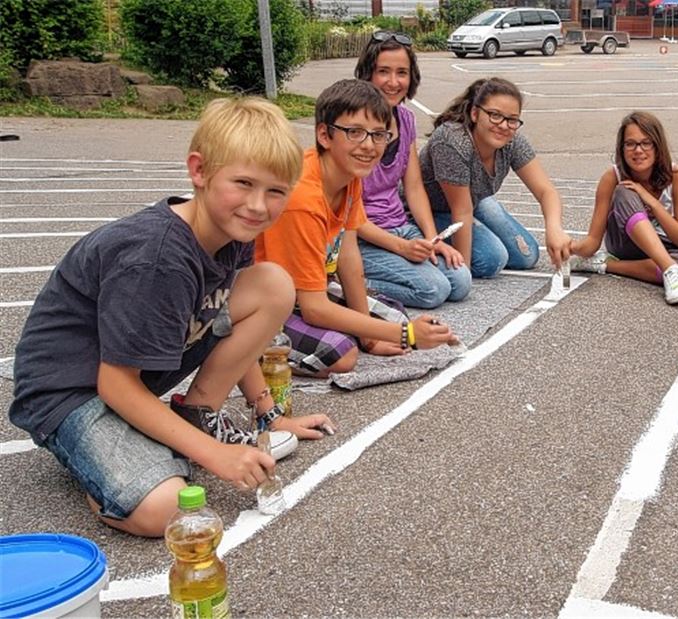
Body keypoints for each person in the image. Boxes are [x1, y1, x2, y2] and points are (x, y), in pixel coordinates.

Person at [7, 98, 335, 537]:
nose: (258, 205)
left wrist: (269, 417)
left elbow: (221, 315)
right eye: (243, 183)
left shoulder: (232, 228)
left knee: (274, 284)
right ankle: (112, 477)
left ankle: (193, 417)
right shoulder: (157, 259)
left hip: (131, 372)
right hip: (70, 392)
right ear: (199, 172)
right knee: (164, 510)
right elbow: (114, 383)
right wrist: (213, 455)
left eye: (276, 191)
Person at [256, 79, 455, 378]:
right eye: (355, 132)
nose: (368, 145)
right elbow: (314, 308)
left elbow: (349, 256)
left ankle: (351, 334)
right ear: (324, 135)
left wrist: (372, 336)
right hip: (264, 299)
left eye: (378, 135)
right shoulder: (302, 197)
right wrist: (406, 336)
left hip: (309, 287)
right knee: (341, 354)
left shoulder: (349, 174)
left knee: (393, 316)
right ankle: (248, 351)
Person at [353, 32, 471, 309]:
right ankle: (344, 281)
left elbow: (415, 187)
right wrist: (400, 248)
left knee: (460, 282)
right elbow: (349, 214)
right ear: (368, 74)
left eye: (401, 73)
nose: (393, 82)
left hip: (400, 226)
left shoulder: (405, 119)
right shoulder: (353, 124)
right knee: (433, 290)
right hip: (361, 237)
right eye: (383, 71)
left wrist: (432, 239)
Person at [420, 77, 572, 278]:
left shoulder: (511, 141)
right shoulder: (452, 141)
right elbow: (461, 210)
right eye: (494, 115)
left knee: (527, 255)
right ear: (475, 113)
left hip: (474, 201)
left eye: (512, 119)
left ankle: (481, 226)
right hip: (430, 208)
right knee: (492, 259)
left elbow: (546, 191)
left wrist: (554, 228)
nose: (503, 125)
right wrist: (462, 274)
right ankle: (422, 244)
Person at [568, 111, 678, 304]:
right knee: (625, 192)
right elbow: (593, 242)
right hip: (625, 243)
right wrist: (570, 247)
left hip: (660, 246)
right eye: (630, 144)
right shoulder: (612, 177)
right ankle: (669, 270)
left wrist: (652, 202)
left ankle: (605, 265)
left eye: (646, 143)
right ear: (621, 149)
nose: (638, 150)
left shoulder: (677, 176)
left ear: (658, 146)